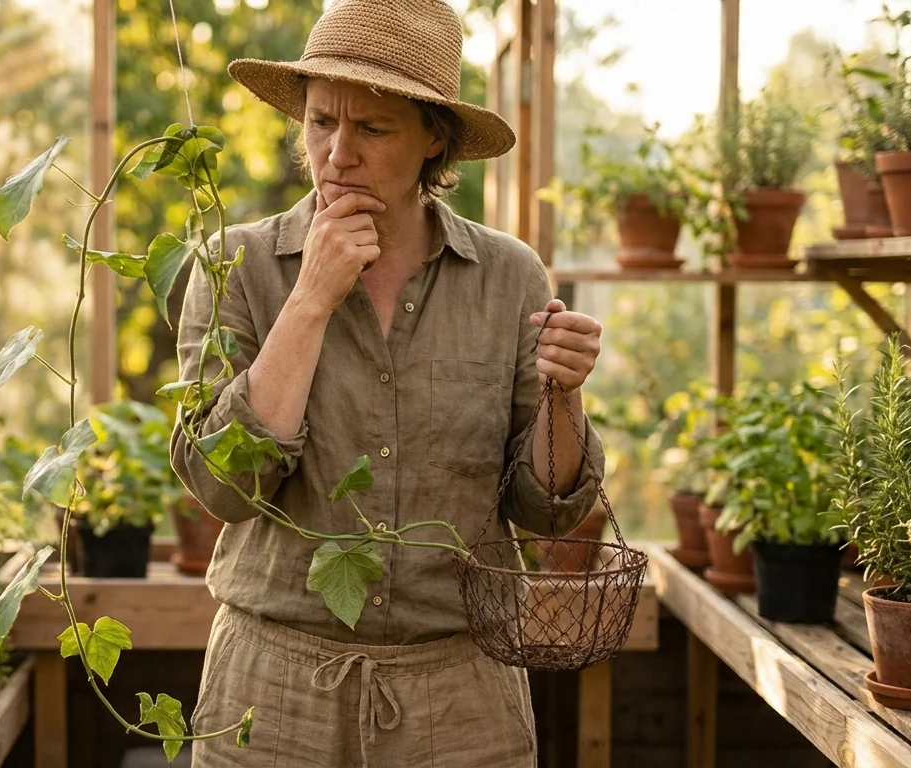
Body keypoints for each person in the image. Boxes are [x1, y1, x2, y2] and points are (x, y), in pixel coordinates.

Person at [169, 1, 605, 765]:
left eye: (372, 129)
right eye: (319, 123)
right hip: (270, 695)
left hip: (462, 695)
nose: (337, 154)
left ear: (435, 136)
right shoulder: (235, 266)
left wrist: (563, 394)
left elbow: (544, 509)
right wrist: (309, 298)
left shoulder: (508, 276)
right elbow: (223, 490)